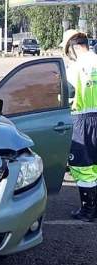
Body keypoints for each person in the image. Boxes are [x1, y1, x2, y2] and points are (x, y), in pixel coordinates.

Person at [62, 29, 97, 222]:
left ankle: (88, 210)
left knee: (83, 168)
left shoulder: (75, 68)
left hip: (82, 121)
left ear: (73, 47)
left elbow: (67, 94)